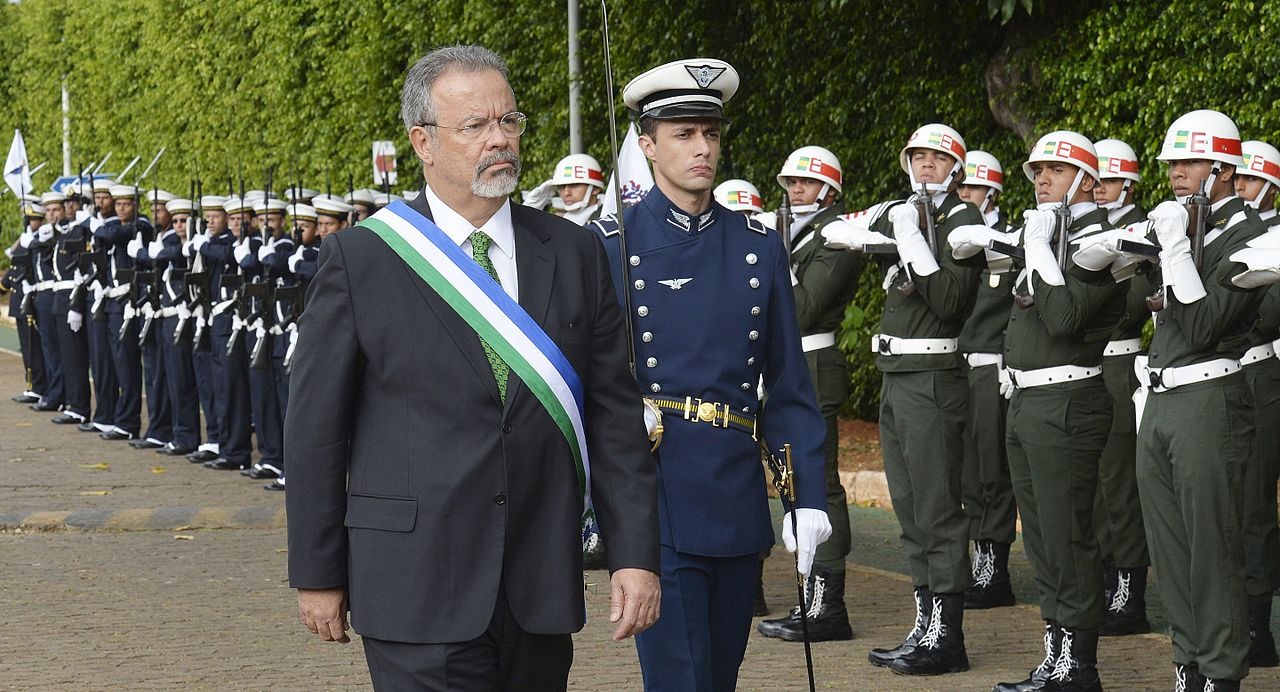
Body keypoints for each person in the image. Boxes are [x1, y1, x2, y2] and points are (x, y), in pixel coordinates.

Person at [286, 45, 660, 691]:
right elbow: (317, 429)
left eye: (509, 121)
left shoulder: (573, 252)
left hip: (537, 581)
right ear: (423, 142)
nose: (500, 140)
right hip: (414, 580)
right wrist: (317, 571)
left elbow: (614, 417)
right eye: (476, 126)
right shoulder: (363, 258)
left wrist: (634, 556)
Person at [590, 58, 830, 691]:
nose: (701, 148)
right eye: (682, 134)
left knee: (718, 678)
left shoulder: (757, 246)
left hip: (734, 493)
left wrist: (806, 496)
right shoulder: (614, 243)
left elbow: (788, 386)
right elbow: (584, 372)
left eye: (710, 134)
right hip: (657, 493)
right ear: (647, 145)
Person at [824, 122, 983, 676]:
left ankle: (948, 634)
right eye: (918, 157)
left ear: (956, 168)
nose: (926, 166)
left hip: (933, 376)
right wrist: (890, 231)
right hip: (897, 374)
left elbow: (949, 301)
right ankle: (925, 622)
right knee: (912, 510)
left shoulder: (963, 219)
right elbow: (838, 235)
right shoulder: (903, 213)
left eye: (938, 159)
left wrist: (913, 241)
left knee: (938, 508)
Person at [980, 131, 1125, 692]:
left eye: (1055, 171)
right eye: (1037, 170)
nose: (1041, 179)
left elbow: (1064, 320)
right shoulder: (1048, 231)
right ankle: (1057, 652)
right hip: (1027, 398)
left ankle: (1079, 664)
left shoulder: (1101, 240)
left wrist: (1038, 250)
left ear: (1088, 180)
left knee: (1068, 535)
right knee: (1041, 538)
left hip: (1068, 400)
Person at [1135, 109, 1267, 691]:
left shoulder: (1253, 235)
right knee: (1170, 549)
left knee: (1212, 551)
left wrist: (1173, 250)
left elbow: (1207, 323)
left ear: (1220, 168)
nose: (1176, 174)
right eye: (1173, 163)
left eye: (1188, 163)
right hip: (1162, 399)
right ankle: (1188, 666)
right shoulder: (1181, 226)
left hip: (1210, 397)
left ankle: (1220, 675)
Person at [756, 144, 859, 644]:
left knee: (819, 482)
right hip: (785, 364)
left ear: (828, 189)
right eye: (790, 183)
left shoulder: (834, 236)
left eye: (804, 182)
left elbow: (801, 307)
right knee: (792, 481)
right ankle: (809, 596)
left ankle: (827, 604)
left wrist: (775, 255)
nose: (794, 190)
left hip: (814, 360)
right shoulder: (796, 232)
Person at [1090, 138, 1154, 637]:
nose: (1098, 188)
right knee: (1091, 487)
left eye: (1107, 181)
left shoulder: (1137, 229)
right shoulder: (1089, 225)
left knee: (1118, 485)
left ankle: (1129, 592)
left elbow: (1132, 304)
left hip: (1117, 362)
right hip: (1087, 365)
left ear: (1128, 185)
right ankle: (1106, 582)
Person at [952, 150, 1020, 610]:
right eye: (962, 189)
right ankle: (980, 558)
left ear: (992, 193)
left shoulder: (1010, 239)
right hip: (961, 363)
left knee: (994, 469)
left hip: (993, 364)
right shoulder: (956, 238)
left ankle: (993, 566)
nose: (965, 196)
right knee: (969, 471)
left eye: (973, 189)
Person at [1233, 139, 1280, 667]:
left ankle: (1258, 625)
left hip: (1262, 373)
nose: (1238, 187)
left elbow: (1264, 317)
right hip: (1230, 372)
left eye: (1247, 180)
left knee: (1253, 506)